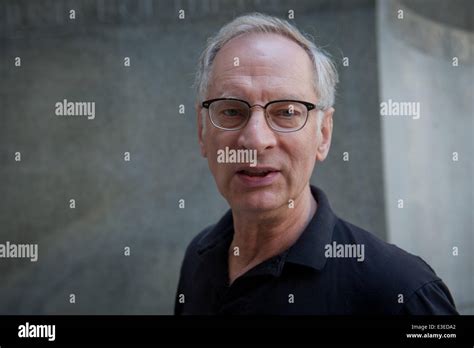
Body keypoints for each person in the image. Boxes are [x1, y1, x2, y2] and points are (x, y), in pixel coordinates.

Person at [174, 13, 458, 315]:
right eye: (231, 111)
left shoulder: (402, 293)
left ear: (323, 134)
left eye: (286, 112)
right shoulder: (199, 257)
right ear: (202, 131)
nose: (256, 140)